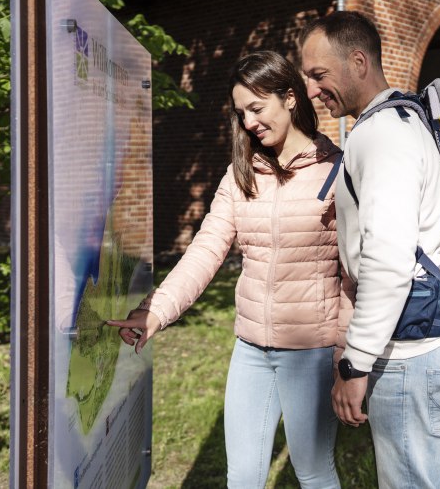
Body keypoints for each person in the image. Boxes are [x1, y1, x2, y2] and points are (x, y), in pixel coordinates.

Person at [107, 51, 347, 489]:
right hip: (251, 350)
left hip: (312, 351)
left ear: (290, 98)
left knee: (312, 471)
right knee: (243, 476)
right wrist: (156, 310)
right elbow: (204, 251)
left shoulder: (337, 171)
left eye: (257, 108)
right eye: (241, 114)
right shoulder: (240, 177)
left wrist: (347, 355)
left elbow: (355, 275)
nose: (250, 122)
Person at [299, 11, 440, 488]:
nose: (312, 91)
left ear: (358, 61)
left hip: (409, 354)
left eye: (319, 75)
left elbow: (388, 257)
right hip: (430, 340)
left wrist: (355, 363)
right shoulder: (406, 116)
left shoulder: (381, 134)